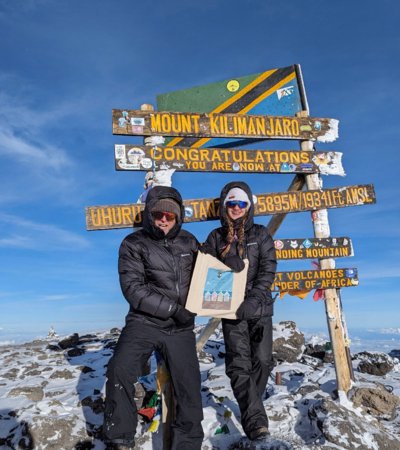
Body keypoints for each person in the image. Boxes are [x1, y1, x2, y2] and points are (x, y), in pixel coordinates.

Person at [103, 185, 204, 450]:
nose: (164, 219)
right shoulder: (133, 243)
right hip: (144, 321)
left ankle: (188, 444)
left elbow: (210, 273)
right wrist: (174, 310)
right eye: (159, 214)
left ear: (178, 217)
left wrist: (230, 267)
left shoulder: (190, 242)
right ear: (149, 214)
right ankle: (120, 436)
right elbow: (134, 289)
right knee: (119, 369)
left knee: (189, 387)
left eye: (170, 216)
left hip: (180, 328)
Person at [202, 181, 277, 441]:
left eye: (241, 203)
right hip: (230, 309)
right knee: (238, 364)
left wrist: (254, 300)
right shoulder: (216, 236)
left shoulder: (261, 233)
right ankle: (256, 422)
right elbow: (204, 266)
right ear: (225, 206)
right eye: (231, 203)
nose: (236, 208)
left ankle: (249, 407)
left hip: (260, 307)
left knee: (264, 361)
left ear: (249, 205)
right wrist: (223, 262)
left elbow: (268, 268)